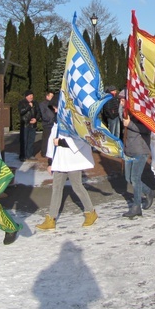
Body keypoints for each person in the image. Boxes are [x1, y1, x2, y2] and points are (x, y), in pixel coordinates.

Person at [36, 98, 98, 230]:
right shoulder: (57, 122)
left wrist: (63, 143)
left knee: (77, 186)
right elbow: (52, 143)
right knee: (56, 188)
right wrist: (50, 162)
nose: (55, 110)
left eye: (56, 107)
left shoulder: (75, 121)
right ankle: (51, 219)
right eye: (54, 108)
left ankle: (90, 212)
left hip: (72, 161)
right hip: (59, 161)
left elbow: (82, 140)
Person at [122, 112, 155, 219]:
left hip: (140, 151)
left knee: (135, 178)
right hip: (129, 151)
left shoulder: (143, 111)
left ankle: (136, 207)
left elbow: (147, 129)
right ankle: (149, 192)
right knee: (129, 178)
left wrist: (130, 124)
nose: (122, 102)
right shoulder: (127, 112)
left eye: (123, 100)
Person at [18, 90, 42, 161]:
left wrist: (36, 119)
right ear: (26, 96)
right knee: (24, 140)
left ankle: (30, 155)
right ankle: (23, 156)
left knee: (31, 140)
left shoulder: (35, 103)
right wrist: (29, 106)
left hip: (32, 125)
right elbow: (21, 111)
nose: (31, 96)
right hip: (25, 124)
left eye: (32, 95)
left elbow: (38, 112)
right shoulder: (22, 103)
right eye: (30, 95)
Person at [39, 91, 56, 159]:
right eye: (51, 96)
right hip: (47, 124)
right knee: (46, 138)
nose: (52, 98)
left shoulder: (54, 104)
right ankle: (44, 152)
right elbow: (43, 114)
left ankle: (51, 151)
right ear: (47, 96)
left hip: (54, 124)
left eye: (53, 96)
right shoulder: (43, 104)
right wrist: (48, 120)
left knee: (53, 138)